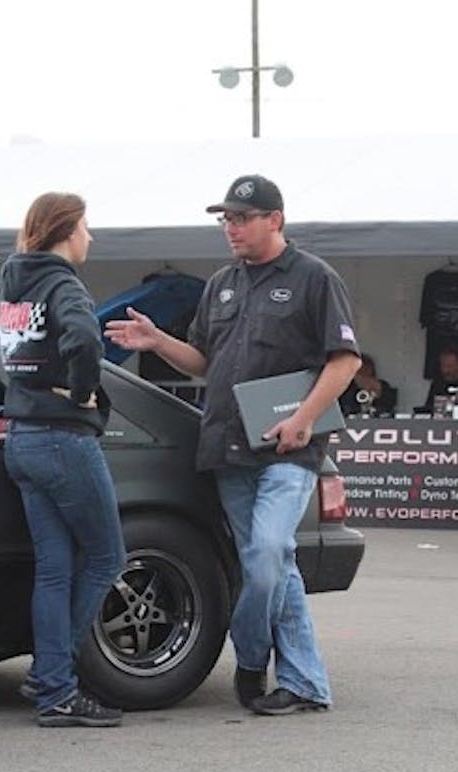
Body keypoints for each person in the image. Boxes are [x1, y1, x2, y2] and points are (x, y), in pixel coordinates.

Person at [106, 175, 360, 716]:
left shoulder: (315, 278)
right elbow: (204, 362)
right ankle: (305, 683)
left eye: (241, 218)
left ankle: (249, 658)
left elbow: (345, 361)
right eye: (225, 219)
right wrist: (157, 342)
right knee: (275, 564)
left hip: (290, 450)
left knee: (268, 555)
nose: (231, 228)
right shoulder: (221, 283)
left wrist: (304, 419)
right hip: (227, 447)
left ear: (276, 220)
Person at [0, 192, 126, 728]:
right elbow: (85, 341)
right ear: (65, 231)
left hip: (21, 439)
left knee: (55, 570)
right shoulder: (63, 283)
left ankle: (53, 689)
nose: (91, 237)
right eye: (86, 227)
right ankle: (51, 676)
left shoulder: (5, 286)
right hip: (63, 439)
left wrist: (2, 389)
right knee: (107, 557)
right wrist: (83, 393)